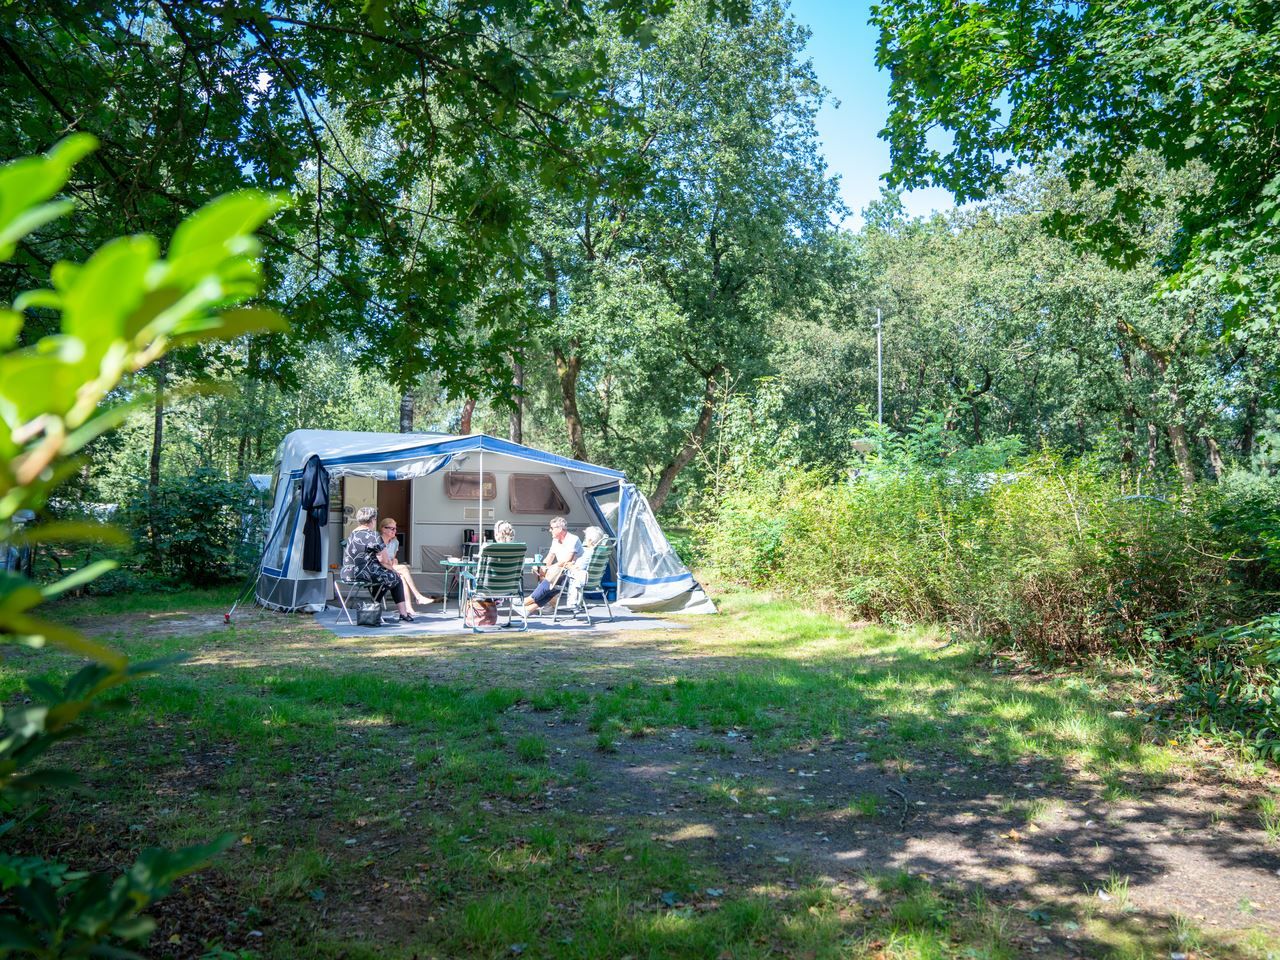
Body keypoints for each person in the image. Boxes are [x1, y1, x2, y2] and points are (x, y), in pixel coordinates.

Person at [341, 507, 415, 622]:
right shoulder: (373, 535)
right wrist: (393, 570)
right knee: (395, 578)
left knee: (382, 578)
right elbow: (385, 561)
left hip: (347, 574)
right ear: (373, 520)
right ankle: (402, 613)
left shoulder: (352, 535)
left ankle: (374, 609)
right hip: (365, 573)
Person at [523, 517, 584, 614]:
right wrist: (540, 566)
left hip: (573, 576)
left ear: (560, 529)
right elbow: (549, 558)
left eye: (551, 528)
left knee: (553, 577)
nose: (550, 530)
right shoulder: (555, 541)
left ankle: (526, 601)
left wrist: (550, 568)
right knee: (542, 572)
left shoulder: (573, 539)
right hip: (561, 573)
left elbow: (567, 560)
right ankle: (532, 608)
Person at [379, 517, 431, 611]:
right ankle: (418, 596)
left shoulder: (395, 542)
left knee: (402, 578)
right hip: (380, 568)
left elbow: (393, 558)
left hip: (390, 567)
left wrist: (394, 561)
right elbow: (379, 560)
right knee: (403, 568)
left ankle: (408, 608)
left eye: (395, 528)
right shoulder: (378, 541)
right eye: (392, 528)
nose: (395, 531)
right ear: (383, 529)